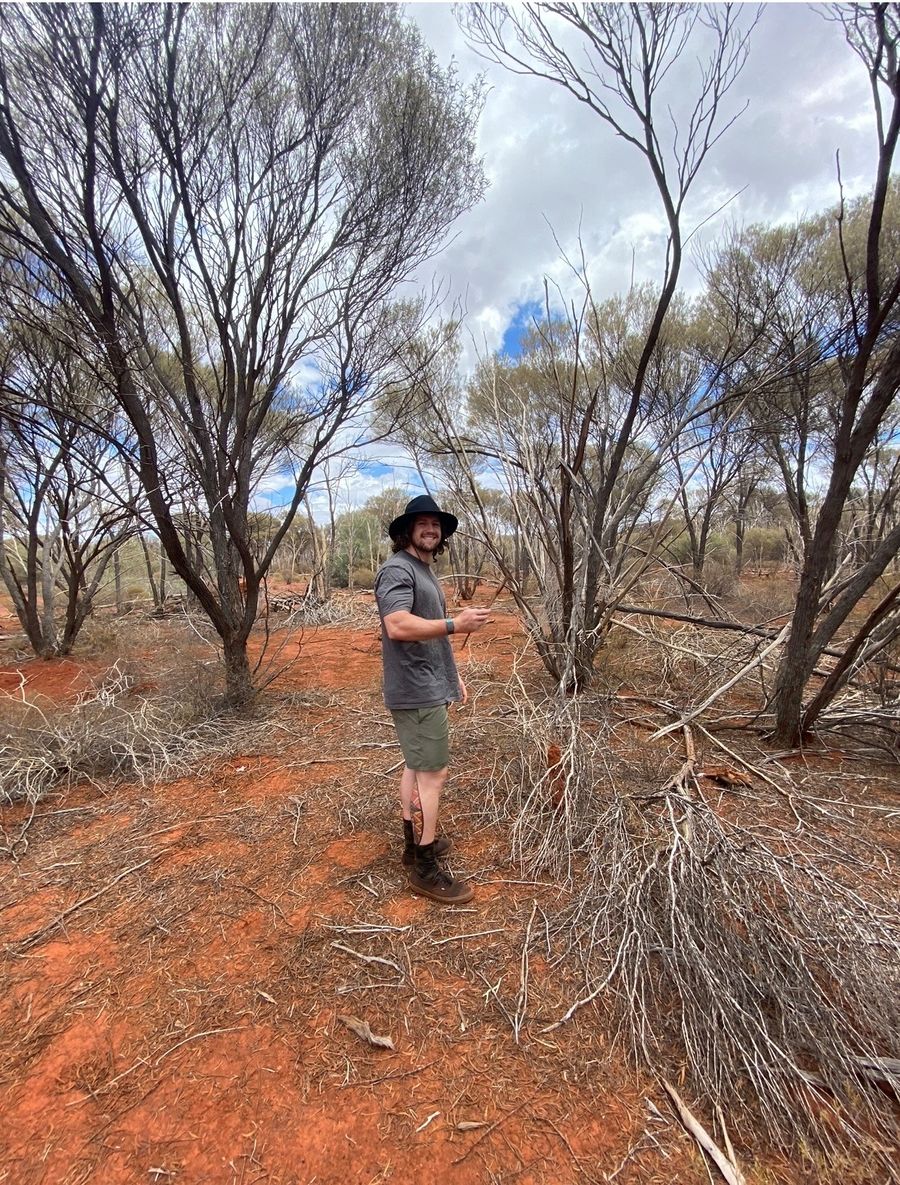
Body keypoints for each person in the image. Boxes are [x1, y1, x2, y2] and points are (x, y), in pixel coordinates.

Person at [374, 494, 490, 904]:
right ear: (406, 531)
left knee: (416, 764)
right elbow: (398, 625)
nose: (430, 529)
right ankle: (425, 867)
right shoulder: (396, 570)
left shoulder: (423, 571)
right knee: (433, 775)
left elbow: (430, 637)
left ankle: (413, 846)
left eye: (435, 524)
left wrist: (451, 676)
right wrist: (456, 624)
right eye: (421, 523)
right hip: (415, 689)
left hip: (429, 684)